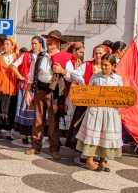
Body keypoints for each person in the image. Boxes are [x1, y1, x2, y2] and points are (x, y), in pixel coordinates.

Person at [76, 53, 123, 172]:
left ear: (113, 66)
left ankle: (102, 160)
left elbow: (122, 96)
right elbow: (89, 93)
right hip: (96, 112)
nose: (103, 67)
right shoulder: (95, 77)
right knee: (94, 135)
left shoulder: (117, 79)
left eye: (106, 65)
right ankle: (89, 160)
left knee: (105, 135)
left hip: (110, 112)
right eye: (102, 64)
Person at [26, 30, 68, 159]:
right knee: (37, 119)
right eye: (48, 39)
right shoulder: (40, 56)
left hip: (54, 92)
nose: (49, 41)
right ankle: (35, 146)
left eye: (52, 40)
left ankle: (54, 148)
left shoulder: (64, 57)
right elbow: (31, 75)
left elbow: (71, 76)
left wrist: (62, 70)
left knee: (53, 121)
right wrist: (28, 92)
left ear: (58, 42)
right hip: (40, 90)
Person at [66, 44, 106, 151]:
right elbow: (74, 73)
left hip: (101, 102)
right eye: (96, 53)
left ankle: (96, 150)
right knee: (83, 125)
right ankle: (81, 149)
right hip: (86, 99)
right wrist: (83, 82)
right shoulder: (87, 65)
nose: (98, 55)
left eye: (100, 53)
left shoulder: (108, 66)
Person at [0, 37, 22, 139]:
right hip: (0, 85)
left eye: (8, 44)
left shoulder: (17, 57)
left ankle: (8, 130)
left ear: (12, 46)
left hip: (12, 86)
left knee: (10, 108)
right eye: (5, 44)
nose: (6, 46)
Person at [14, 36, 44, 144]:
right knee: (26, 109)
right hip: (27, 86)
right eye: (32, 43)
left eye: (35, 43)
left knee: (37, 111)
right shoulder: (26, 55)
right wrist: (20, 76)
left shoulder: (44, 56)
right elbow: (13, 65)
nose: (33, 45)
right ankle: (25, 135)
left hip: (39, 87)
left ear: (40, 44)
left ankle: (34, 135)